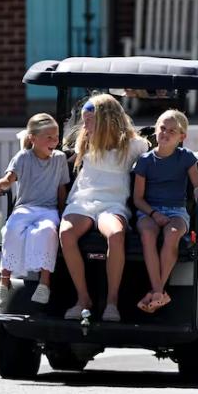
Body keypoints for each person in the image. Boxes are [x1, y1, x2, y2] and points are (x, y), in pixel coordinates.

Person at [59, 94, 149, 322]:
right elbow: (64, 162)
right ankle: (83, 299)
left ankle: (112, 301)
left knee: (116, 234)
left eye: (90, 120)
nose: (85, 126)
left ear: (107, 120)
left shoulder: (133, 146)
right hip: (83, 200)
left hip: (113, 203)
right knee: (67, 233)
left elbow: (153, 157)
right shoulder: (85, 142)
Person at [0, 113, 70, 306]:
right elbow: (9, 179)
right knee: (11, 229)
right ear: (33, 138)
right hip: (25, 207)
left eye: (56, 137)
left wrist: (62, 213)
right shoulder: (24, 157)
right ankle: (5, 280)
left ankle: (44, 283)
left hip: (48, 210)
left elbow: (61, 190)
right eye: (49, 137)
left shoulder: (59, 159)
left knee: (47, 231)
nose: (54, 141)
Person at [132, 109, 198, 313]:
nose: (165, 133)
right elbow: (137, 199)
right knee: (148, 233)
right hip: (149, 211)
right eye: (162, 128)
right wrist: (154, 214)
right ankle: (159, 293)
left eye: (172, 131)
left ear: (182, 136)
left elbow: (197, 184)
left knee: (172, 234)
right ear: (156, 130)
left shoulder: (186, 157)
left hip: (176, 211)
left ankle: (156, 291)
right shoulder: (145, 160)